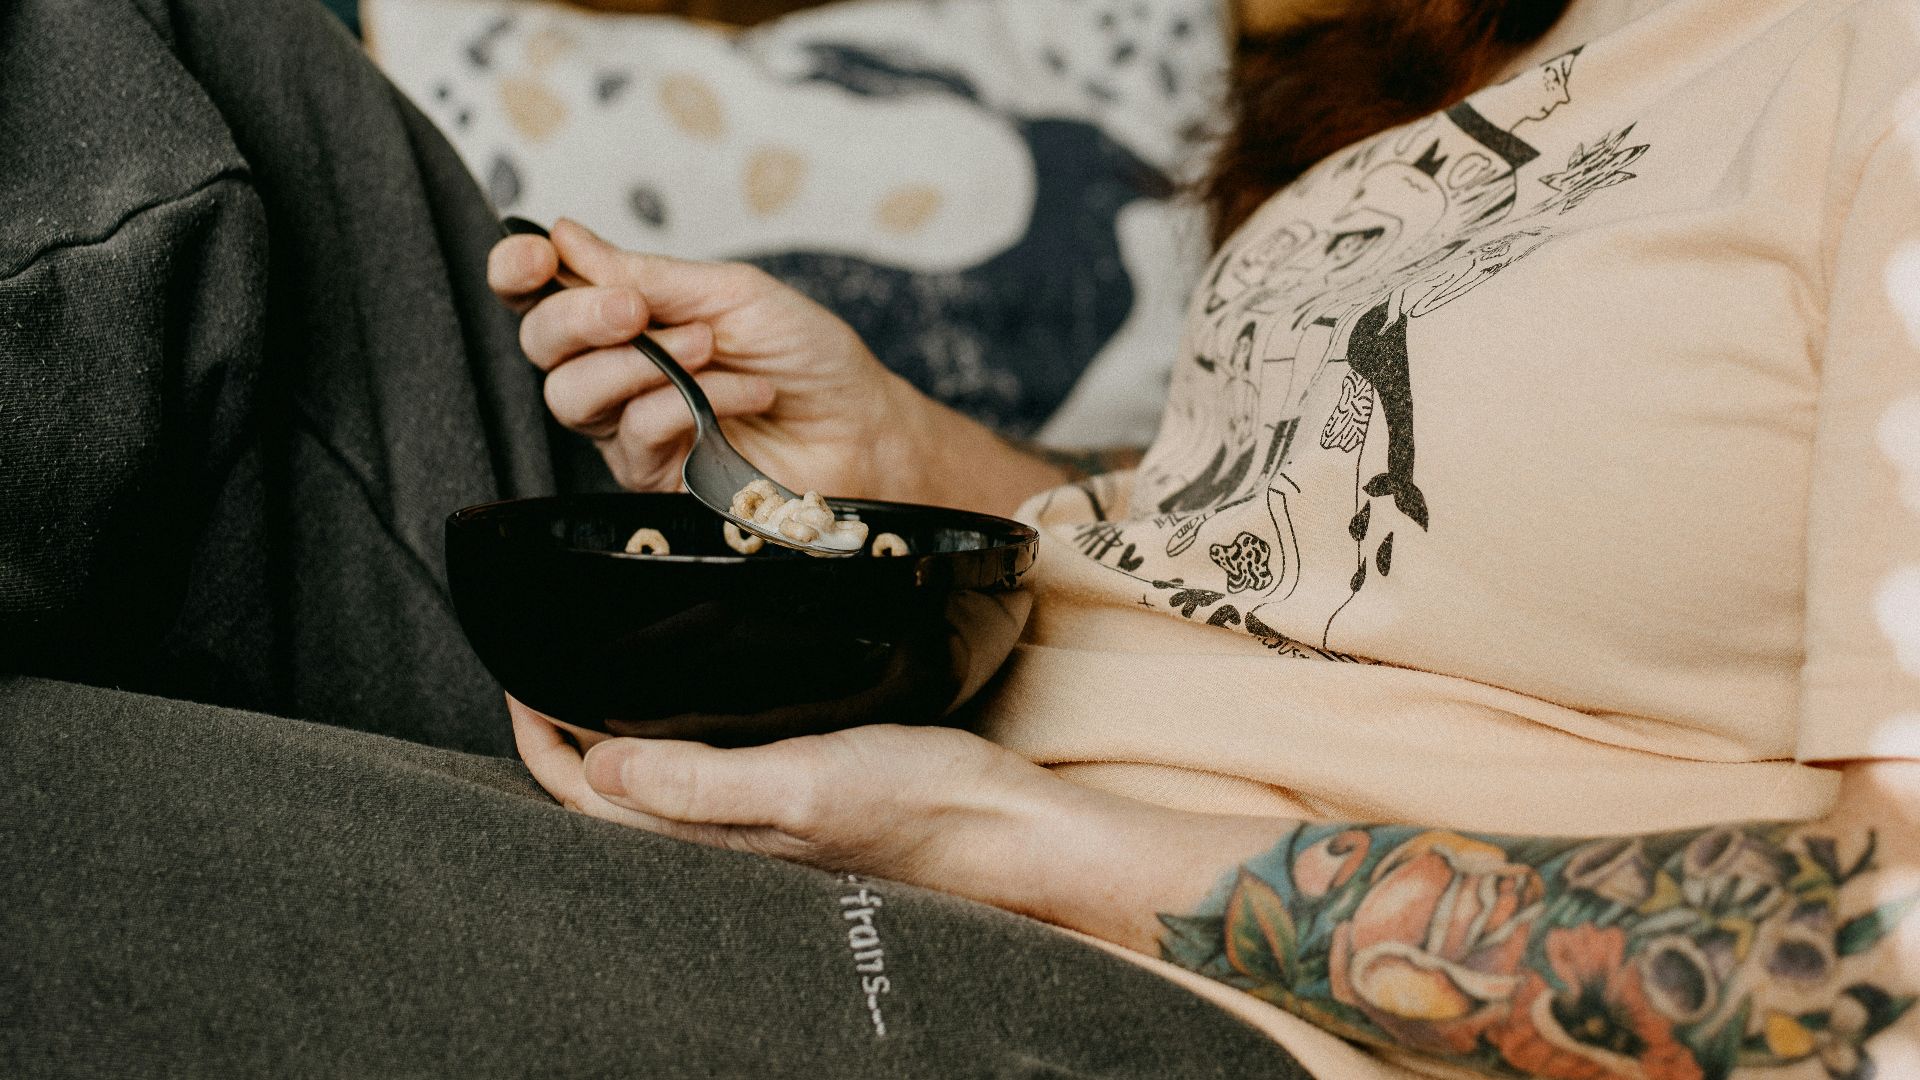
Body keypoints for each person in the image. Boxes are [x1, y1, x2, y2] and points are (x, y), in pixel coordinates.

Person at [3, 1, 1917, 1079]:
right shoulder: (1505, 54)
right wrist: (892, 452)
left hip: (1193, 993)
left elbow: (1890, 956)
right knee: (140, 47)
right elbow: (1277, 578)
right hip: (888, 714)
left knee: (47, 820)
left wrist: (1006, 836)